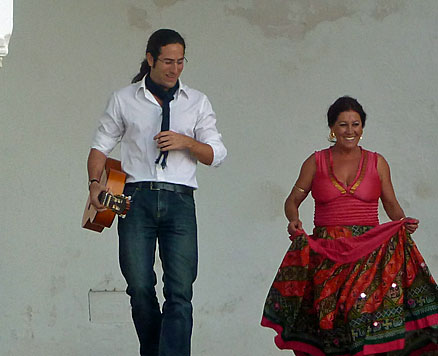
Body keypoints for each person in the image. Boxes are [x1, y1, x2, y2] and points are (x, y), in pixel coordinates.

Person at [87, 29, 227, 356]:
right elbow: (99, 146)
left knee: (180, 290)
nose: (174, 68)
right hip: (135, 198)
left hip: (180, 199)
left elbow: (217, 155)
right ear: (151, 59)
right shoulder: (124, 99)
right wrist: (95, 184)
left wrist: (186, 142)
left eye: (180, 62)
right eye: (167, 61)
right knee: (139, 287)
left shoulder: (197, 101)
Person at [261, 96, 438, 355]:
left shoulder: (377, 162)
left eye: (355, 124)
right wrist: (293, 219)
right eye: (343, 124)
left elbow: (390, 204)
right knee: (330, 321)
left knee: (360, 311)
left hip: (370, 252)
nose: (350, 130)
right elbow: (293, 200)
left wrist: (402, 223)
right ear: (332, 128)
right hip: (327, 254)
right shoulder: (316, 161)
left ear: (362, 128)